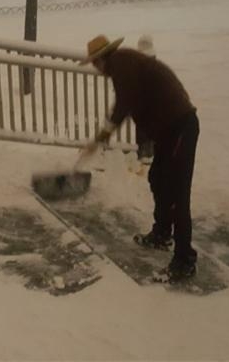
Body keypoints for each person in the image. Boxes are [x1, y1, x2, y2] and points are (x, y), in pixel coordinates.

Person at [80, 35, 199, 282]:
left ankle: (184, 260)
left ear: (102, 59)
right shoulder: (124, 64)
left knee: (177, 194)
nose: (94, 68)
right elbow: (140, 101)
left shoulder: (122, 64)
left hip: (180, 128)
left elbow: (124, 103)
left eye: (94, 62)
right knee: (157, 178)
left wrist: (102, 134)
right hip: (169, 130)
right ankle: (162, 233)